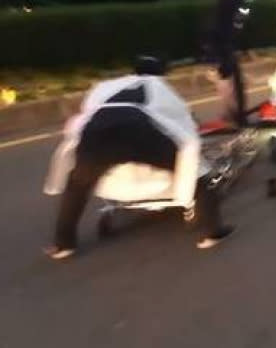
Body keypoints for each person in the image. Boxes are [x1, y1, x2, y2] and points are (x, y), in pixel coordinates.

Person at [42, 56, 233, 260]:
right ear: (160, 73)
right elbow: (181, 116)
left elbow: (88, 108)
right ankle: (214, 231)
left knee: (77, 186)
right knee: (195, 171)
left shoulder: (108, 85)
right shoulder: (158, 85)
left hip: (96, 131)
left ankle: (63, 244)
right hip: (136, 129)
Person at [204, 0, 276, 127]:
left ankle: (236, 115)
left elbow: (246, 3)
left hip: (225, 45)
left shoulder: (237, 3)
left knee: (234, 82)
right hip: (220, 46)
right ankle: (234, 117)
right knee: (229, 81)